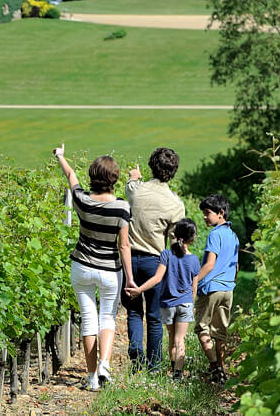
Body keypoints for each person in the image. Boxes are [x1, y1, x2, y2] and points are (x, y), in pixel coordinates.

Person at [54, 143, 134, 391]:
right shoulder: (122, 208)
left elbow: (71, 176)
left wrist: (61, 157)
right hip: (110, 270)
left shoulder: (81, 201)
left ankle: (91, 378)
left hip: (81, 266)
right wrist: (130, 278)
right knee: (107, 318)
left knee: (88, 321)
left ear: (93, 177)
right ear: (115, 179)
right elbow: (124, 246)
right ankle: (104, 366)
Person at [122, 147, 185, 372]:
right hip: (155, 262)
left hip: (129, 259)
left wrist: (133, 176)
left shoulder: (135, 191)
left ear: (151, 165)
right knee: (155, 317)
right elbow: (177, 240)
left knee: (133, 310)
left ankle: (136, 351)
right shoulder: (175, 204)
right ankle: (154, 365)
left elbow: (131, 185)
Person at [124, 217, 200, 379]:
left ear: (174, 234)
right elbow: (194, 286)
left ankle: (173, 368)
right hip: (185, 303)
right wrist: (191, 303)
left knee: (172, 339)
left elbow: (157, 278)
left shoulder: (166, 254)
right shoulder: (194, 260)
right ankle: (177, 374)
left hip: (167, 304)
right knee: (181, 339)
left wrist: (139, 289)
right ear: (192, 238)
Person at [191, 194, 239, 384]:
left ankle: (214, 367)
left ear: (220, 213)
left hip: (211, 288)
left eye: (207, 213)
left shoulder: (215, 234)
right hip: (228, 289)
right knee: (220, 333)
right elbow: (236, 267)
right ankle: (222, 370)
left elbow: (210, 264)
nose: (204, 217)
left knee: (202, 329)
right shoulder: (233, 235)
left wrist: (195, 280)